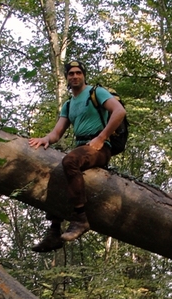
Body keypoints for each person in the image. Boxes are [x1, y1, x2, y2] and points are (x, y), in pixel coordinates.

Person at [28, 59, 127, 252]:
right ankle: (54, 231)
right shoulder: (68, 104)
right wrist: (45, 139)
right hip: (81, 148)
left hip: (100, 148)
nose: (74, 76)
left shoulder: (95, 93)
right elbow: (57, 133)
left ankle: (80, 219)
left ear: (83, 75)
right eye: (71, 73)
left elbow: (119, 111)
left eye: (78, 73)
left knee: (70, 161)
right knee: (56, 170)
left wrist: (101, 137)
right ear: (66, 77)